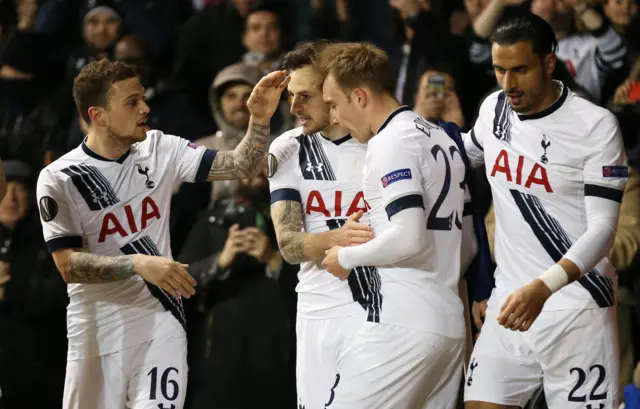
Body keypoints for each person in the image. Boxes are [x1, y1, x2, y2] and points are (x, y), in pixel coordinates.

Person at [35, 58, 289, 409]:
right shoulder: (60, 177)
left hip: (160, 318)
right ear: (98, 115)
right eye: (131, 102)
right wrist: (137, 264)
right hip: (97, 329)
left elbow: (241, 164)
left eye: (143, 98)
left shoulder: (160, 148)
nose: (145, 108)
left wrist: (259, 119)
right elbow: (67, 265)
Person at [461, 12, 627, 409]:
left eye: (520, 70)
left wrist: (544, 286)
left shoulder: (596, 126)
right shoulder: (494, 110)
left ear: (549, 63)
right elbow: (458, 158)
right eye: (500, 70)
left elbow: (604, 228)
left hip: (577, 307)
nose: (508, 84)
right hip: (511, 304)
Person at [319, 42, 474, 409]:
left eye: (334, 104)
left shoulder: (391, 142)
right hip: (448, 327)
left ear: (359, 97)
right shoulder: (441, 137)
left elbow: (408, 236)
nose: (335, 117)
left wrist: (347, 255)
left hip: (404, 325)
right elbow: (467, 245)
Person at [267, 40, 375, 409]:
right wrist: (336, 238)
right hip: (318, 310)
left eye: (306, 96)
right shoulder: (288, 148)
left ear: (333, 92)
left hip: (381, 305)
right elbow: (288, 245)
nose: (295, 107)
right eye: (291, 96)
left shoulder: (381, 141)